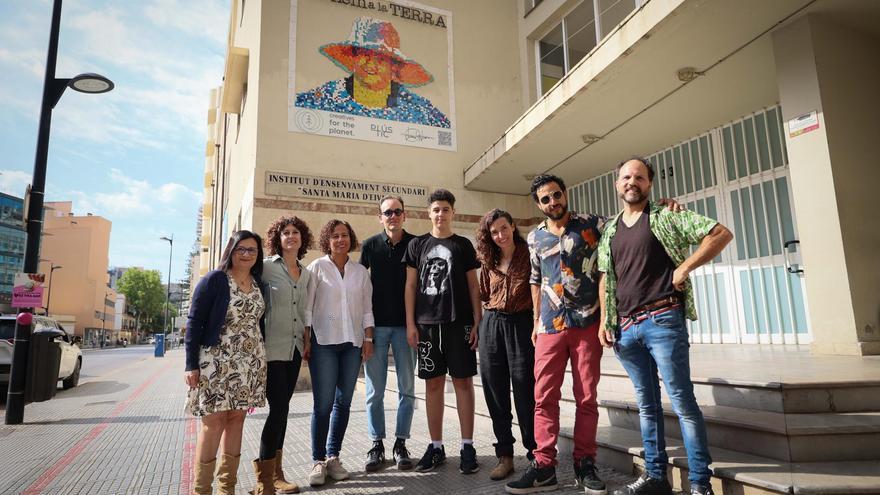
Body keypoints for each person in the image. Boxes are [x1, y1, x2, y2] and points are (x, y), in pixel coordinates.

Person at [598, 157, 732, 495]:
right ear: (617, 185)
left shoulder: (666, 215)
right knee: (647, 405)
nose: (632, 182)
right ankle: (656, 477)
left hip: (663, 320)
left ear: (649, 184)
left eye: (639, 177)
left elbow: (719, 234)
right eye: (626, 177)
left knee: (683, 402)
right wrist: (604, 319)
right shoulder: (610, 228)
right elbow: (605, 276)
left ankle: (701, 484)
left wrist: (684, 267)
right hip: (626, 330)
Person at [506, 174, 607, 495]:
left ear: (565, 193)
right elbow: (535, 279)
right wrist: (536, 321)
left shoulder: (592, 224)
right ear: (538, 204)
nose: (553, 202)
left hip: (587, 323)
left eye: (557, 195)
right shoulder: (534, 237)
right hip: (550, 326)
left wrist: (659, 207)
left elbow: (627, 225)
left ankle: (584, 464)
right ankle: (544, 467)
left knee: (586, 397)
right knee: (543, 397)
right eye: (546, 199)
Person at [403, 189, 482, 475]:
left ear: (453, 212)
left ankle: (467, 445)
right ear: (429, 212)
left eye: (446, 209)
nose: (441, 214)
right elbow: (411, 286)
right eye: (436, 209)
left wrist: (477, 321)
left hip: (458, 323)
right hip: (426, 325)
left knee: (463, 383)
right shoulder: (417, 246)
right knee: (433, 385)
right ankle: (436, 446)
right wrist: (411, 324)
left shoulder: (463, 245)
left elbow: (474, 286)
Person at [184, 230, 268, 495]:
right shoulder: (215, 280)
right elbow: (194, 322)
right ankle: (201, 491)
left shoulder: (259, 284)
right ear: (231, 251)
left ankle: (226, 489)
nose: (246, 254)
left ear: (258, 254)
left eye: (252, 250)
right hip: (216, 362)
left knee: (237, 420)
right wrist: (190, 365)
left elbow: (258, 324)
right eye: (241, 249)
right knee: (214, 422)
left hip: (249, 363)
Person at [305, 219, 375, 487]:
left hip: (352, 344)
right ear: (328, 240)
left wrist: (368, 338)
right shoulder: (317, 268)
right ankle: (317, 460)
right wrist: (307, 338)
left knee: (343, 403)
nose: (340, 240)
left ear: (351, 238)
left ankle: (333, 457)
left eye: (345, 235)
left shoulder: (360, 272)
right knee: (323, 405)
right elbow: (307, 309)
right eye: (335, 236)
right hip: (324, 342)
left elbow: (368, 308)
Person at [295, 16, 450, 128]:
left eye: (381, 59)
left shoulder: (421, 112)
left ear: (394, 67)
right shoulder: (322, 100)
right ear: (353, 57)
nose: (371, 63)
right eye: (365, 55)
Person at [253, 216, 314, 494]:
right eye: (286, 233)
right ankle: (265, 481)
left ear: (303, 239)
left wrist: (308, 338)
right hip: (271, 350)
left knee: (284, 410)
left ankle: (276, 473)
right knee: (278, 409)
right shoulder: (264, 268)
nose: (291, 236)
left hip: (294, 349)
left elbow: (304, 311)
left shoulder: (306, 273)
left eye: (296, 233)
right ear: (277, 238)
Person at [475, 209, 536, 481]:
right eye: (494, 232)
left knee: (526, 389)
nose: (500, 235)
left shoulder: (529, 254)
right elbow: (484, 293)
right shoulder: (488, 259)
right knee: (495, 391)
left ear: (512, 226)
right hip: (492, 324)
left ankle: (535, 454)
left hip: (522, 324)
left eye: (503, 228)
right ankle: (505, 456)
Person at [359, 195, 417, 471]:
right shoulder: (370, 246)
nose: (392, 216)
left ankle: (401, 443)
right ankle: (377, 444)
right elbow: (359, 289)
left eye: (397, 212)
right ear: (379, 217)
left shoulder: (416, 244)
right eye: (387, 212)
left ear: (404, 215)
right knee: (374, 391)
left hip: (406, 328)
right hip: (377, 328)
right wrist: (364, 331)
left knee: (407, 390)